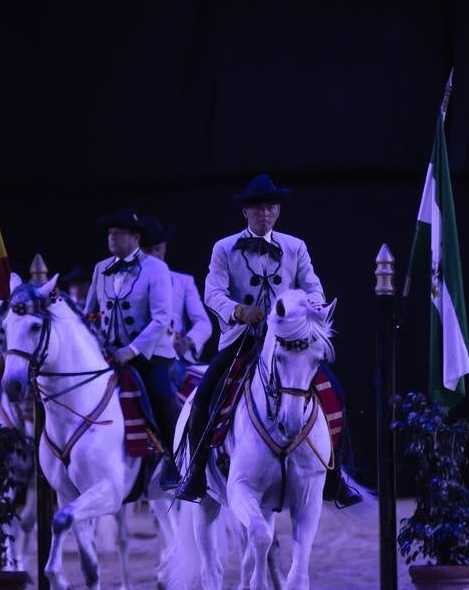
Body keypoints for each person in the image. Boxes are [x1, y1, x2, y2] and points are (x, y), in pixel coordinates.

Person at [176, 173, 362, 507]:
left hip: (288, 342)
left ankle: (336, 476)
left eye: (270, 207)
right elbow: (212, 291)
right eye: (258, 208)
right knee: (204, 395)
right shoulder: (224, 248)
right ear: (245, 212)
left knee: (334, 392)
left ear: (277, 211)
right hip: (242, 340)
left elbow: (312, 284)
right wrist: (237, 310)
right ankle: (196, 473)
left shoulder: (295, 246)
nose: (265, 213)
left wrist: (312, 308)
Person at [84, 207, 181, 486]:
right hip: (109, 354)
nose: (112, 238)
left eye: (118, 233)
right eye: (109, 233)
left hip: (149, 354)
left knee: (161, 395)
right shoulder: (100, 268)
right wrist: (96, 339)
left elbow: (161, 317)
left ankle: (177, 459)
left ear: (136, 238)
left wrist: (132, 350)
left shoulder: (156, 268)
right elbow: (90, 311)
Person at [139, 215, 212, 371]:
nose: (154, 255)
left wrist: (187, 341)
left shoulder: (183, 282)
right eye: (147, 250)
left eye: (158, 249)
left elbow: (204, 323)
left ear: (165, 247)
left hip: (175, 356)